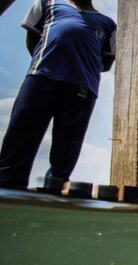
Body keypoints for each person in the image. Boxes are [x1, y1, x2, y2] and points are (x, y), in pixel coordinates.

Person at [0, 0, 116, 189]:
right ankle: (7, 184)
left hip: (82, 87)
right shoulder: (47, 3)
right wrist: (49, 63)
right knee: (22, 131)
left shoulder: (108, 24)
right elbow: (32, 38)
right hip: (41, 77)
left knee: (68, 143)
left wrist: (80, 66)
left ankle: (55, 186)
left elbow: (106, 61)